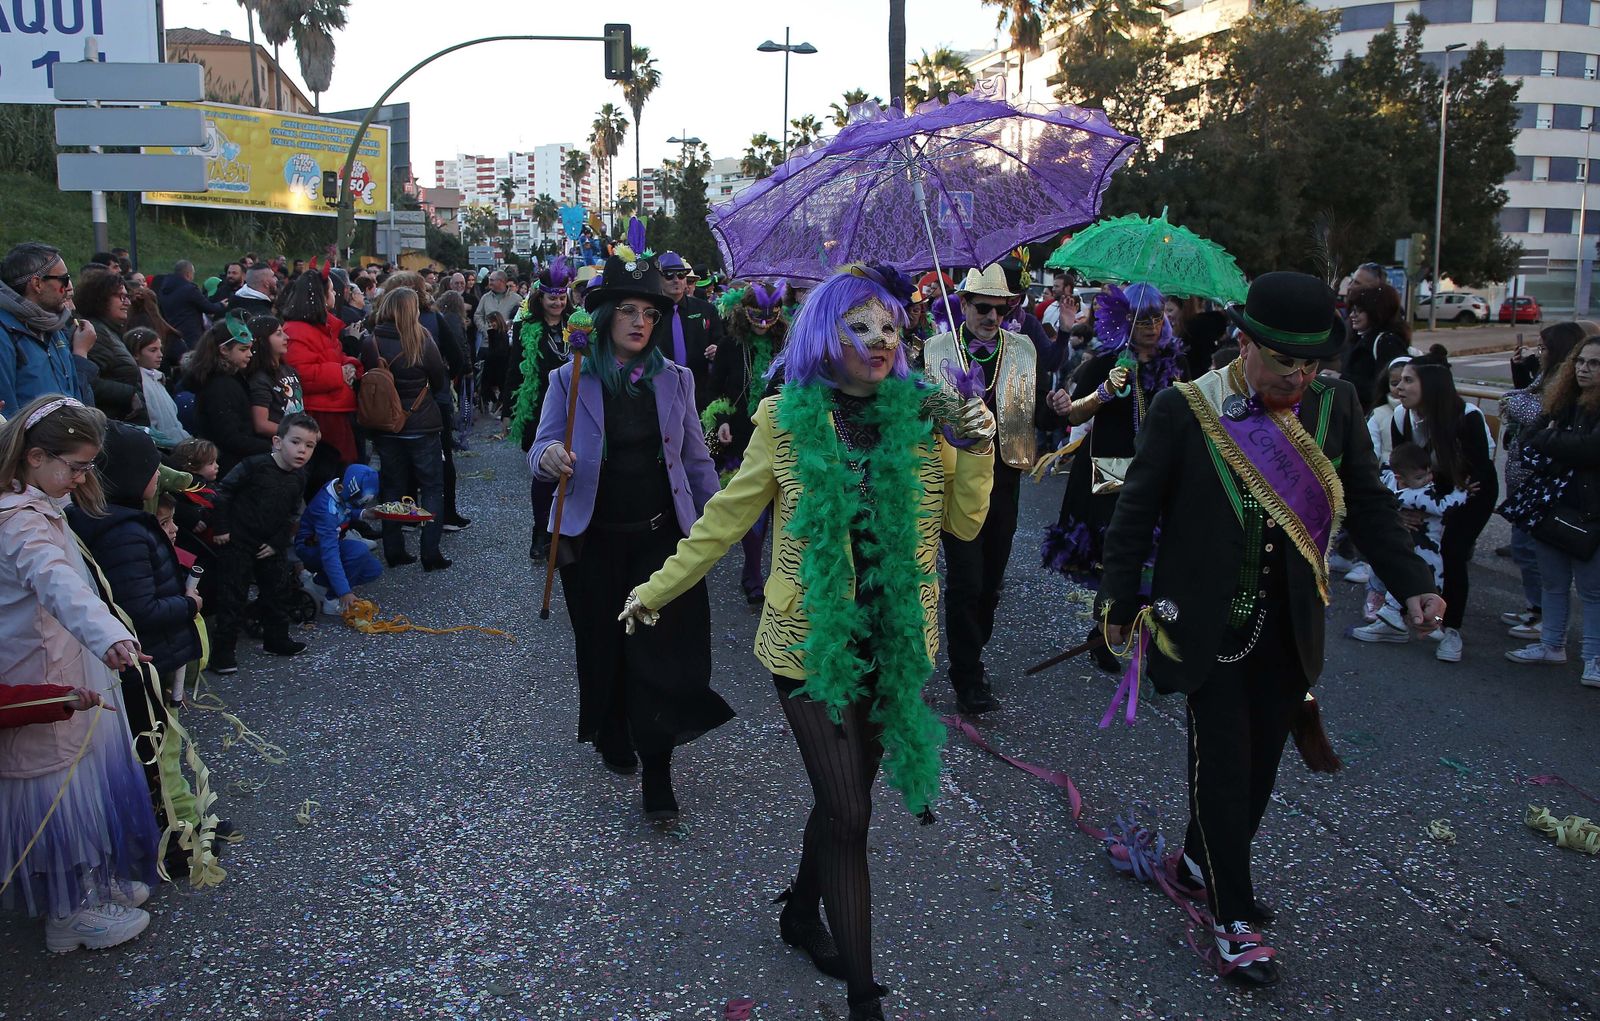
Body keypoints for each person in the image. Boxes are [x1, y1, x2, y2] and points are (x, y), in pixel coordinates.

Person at [618, 267, 996, 1021]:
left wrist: (978, 445)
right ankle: (864, 998)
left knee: (839, 802)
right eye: (862, 326)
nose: (882, 341)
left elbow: (964, 525)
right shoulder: (785, 420)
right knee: (850, 812)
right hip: (807, 646)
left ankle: (798, 913)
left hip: (891, 643)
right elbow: (727, 515)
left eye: (891, 326)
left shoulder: (925, 418)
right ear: (828, 335)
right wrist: (656, 587)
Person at [1099, 272, 1442, 987]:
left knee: (1259, 770)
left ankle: (1199, 862)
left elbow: (1371, 505)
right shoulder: (1185, 408)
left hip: (1291, 626)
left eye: (1313, 362)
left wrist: (1414, 583)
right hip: (1204, 624)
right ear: (1245, 343)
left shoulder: (1337, 404)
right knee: (1223, 765)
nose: (1301, 375)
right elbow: (1134, 513)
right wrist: (1117, 604)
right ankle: (1233, 916)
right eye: (1286, 361)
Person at [530, 253, 732, 825]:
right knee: (603, 648)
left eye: (649, 312)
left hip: (660, 541)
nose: (641, 322)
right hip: (591, 542)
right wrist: (549, 458)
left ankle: (660, 772)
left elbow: (695, 459)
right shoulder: (570, 378)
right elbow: (538, 450)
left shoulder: (676, 379)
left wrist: (716, 522)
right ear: (605, 317)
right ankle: (611, 726)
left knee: (660, 656)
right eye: (628, 310)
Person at [0, 395, 161, 951]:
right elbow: (56, 583)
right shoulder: (19, 521)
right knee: (56, 794)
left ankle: (91, 883)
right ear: (36, 456)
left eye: (88, 466)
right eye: (74, 466)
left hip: (67, 661)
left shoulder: (39, 504)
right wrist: (109, 634)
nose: (81, 477)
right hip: (41, 672)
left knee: (82, 781)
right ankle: (65, 911)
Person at [65, 423, 210, 852]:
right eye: (152, 467)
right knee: (160, 753)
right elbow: (138, 609)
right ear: (131, 475)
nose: (158, 475)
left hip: (146, 662)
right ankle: (179, 842)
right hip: (146, 661)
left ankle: (189, 820)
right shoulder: (124, 531)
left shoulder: (109, 521)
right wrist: (189, 605)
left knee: (164, 746)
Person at [924, 263, 1053, 714]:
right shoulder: (937, 349)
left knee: (990, 585)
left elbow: (1035, 412)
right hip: (957, 479)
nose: (992, 317)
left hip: (1006, 478)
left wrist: (1061, 407)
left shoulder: (1022, 349)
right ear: (963, 305)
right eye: (983, 308)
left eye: (1002, 309)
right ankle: (967, 675)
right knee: (966, 579)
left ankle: (971, 649)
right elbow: (923, 417)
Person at [1043, 283, 1186, 672]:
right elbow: (1072, 415)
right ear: (1126, 321)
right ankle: (1105, 633)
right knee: (1115, 558)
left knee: (1155, 558)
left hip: (1159, 473)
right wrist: (1105, 392)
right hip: (1111, 473)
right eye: (1143, 319)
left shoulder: (1174, 366)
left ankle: (1146, 632)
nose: (1152, 326)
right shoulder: (1105, 362)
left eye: (1158, 318)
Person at [1500, 336, 1600, 686]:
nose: (1585, 368)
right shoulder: (1563, 399)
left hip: (1590, 511)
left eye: (1595, 363)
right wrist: (1557, 440)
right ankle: (1551, 644)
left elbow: (1591, 449)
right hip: (1550, 504)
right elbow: (1530, 437)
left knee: (1592, 590)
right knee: (1553, 583)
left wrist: (1554, 441)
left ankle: (1594, 658)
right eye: (1581, 361)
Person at [1389, 359, 1497, 661]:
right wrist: (1405, 507)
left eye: (1409, 381)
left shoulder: (1467, 417)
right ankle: (1398, 615)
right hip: (1424, 491)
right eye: (1400, 381)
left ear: (1432, 388)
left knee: (1452, 552)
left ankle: (1452, 630)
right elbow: (1400, 466)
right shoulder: (1401, 416)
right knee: (1404, 542)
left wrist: (1437, 509)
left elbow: (1476, 479)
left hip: (1469, 495)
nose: (1400, 387)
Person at [208, 413, 318, 672]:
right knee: (233, 596)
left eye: (309, 445)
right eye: (296, 442)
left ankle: (276, 639)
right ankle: (223, 653)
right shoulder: (253, 466)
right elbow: (223, 492)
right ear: (278, 442)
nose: (302, 450)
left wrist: (277, 542)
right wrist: (222, 528)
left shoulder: (300, 476)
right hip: (238, 539)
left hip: (270, 542)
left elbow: (292, 513)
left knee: (277, 591)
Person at [704, 280, 788, 603]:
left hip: (780, 433)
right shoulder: (729, 345)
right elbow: (714, 390)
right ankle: (753, 573)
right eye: (757, 314)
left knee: (778, 507)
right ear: (744, 312)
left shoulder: (787, 345)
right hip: (740, 437)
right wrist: (721, 420)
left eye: (771, 314)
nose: (765, 322)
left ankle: (774, 573)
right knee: (753, 509)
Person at [360, 286, 451, 571]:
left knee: (392, 487)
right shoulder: (421, 339)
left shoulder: (371, 341)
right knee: (432, 487)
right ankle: (430, 551)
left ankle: (394, 549)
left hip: (386, 425)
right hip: (421, 422)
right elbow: (439, 378)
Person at [1347, 442, 1467, 640]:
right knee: (1426, 583)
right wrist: (1462, 490)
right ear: (1400, 478)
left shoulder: (1388, 484)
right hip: (1425, 547)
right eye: (1420, 477)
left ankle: (1412, 618)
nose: (1428, 479)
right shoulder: (1417, 494)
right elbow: (1445, 506)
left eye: (1429, 474)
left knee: (1410, 582)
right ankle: (1401, 616)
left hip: (1414, 543)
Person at [505, 260, 574, 560]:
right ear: (540, 298)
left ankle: (567, 532)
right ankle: (541, 533)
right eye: (552, 297)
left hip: (575, 406)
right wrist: (509, 412)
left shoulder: (578, 323)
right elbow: (514, 370)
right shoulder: (525, 327)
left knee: (573, 469)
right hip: (539, 408)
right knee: (545, 473)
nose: (558, 302)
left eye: (562, 296)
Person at [282, 267, 360, 492]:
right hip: (320, 414)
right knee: (327, 480)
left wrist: (351, 365)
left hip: (335, 409)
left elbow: (333, 356)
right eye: (332, 291)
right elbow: (301, 374)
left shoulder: (323, 326)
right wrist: (339, 373)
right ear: (321, 297)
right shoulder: (297, 331)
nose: (335, 295)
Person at [0, 243, 93, 411]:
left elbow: (78, 402)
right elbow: (7, 419)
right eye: (64, 279)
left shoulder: (54, 326)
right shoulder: (4, 333)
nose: (69, 286)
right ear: (37, 284)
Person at [182, 318, 270, 477]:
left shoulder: (230, 377)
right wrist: (271, 447)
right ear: (224, 350)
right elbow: (229, 437)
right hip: (229, 467)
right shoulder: (219, 386)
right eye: (243, 349)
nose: (250, 354)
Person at [295, 463, 383, 615]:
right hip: (311, 548)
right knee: (358, 551)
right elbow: (330, 555)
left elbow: (347, 509)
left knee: (373, 569)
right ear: (341, 489)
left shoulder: (338, 487)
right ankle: (332, 599)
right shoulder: (326, 512)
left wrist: (364, 513)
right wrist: (344, 592)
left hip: (330, 542)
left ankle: (319, 584)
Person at [650, 251, 724, 410]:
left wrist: (718, 350)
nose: (676, 280)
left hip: (699, 393)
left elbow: (721, 341)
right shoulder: (650, 312)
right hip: (659, 393)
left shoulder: (706, 309)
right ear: (658, 278)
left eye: (681, 275)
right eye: (669, 275)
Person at [75, 269, 145, 424]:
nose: (127, 302)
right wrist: (130, 394)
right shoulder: (95, 332)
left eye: (127, 296)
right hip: (111, 421)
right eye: (121, 297)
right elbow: (90, 381)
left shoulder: (109, 330)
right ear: (100, 299)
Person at [1341, 283, 1411, 414]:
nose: (1352, 315)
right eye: (1352, 309)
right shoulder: (1359, 338)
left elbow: (1385, 388)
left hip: (1374, 417)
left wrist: (1342, 379)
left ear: (1377, 312)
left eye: (1359, 310)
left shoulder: (1386, 342)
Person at [123, 327, 190, 445]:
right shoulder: (139, 382)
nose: (160, 355)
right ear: (136, 354)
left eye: (160, 349)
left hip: (178, 442)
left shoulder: (157, 378)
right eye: (153, 350)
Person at [244, 314, 305, 438]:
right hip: (279, 445)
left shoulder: (289, 370)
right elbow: (261, 424)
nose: (287, 337)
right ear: (262, 340)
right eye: (278, 334)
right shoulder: (260, 379)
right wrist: (298, 434)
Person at [156, 260, 224, 351]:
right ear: (188, 274)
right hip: (191, 334)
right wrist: (221, 305)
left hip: (173, 333)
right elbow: (208, 308)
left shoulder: (164, 289)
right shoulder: (189, 289)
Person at [474, 270, 522, 341]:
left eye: (492, 280)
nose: (489, 283)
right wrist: (485, 330)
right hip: (487, 344)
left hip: (507, 345)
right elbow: (478, 316)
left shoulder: (517, 299)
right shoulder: (485, 298)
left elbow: (521, 318)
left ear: (501, 282)